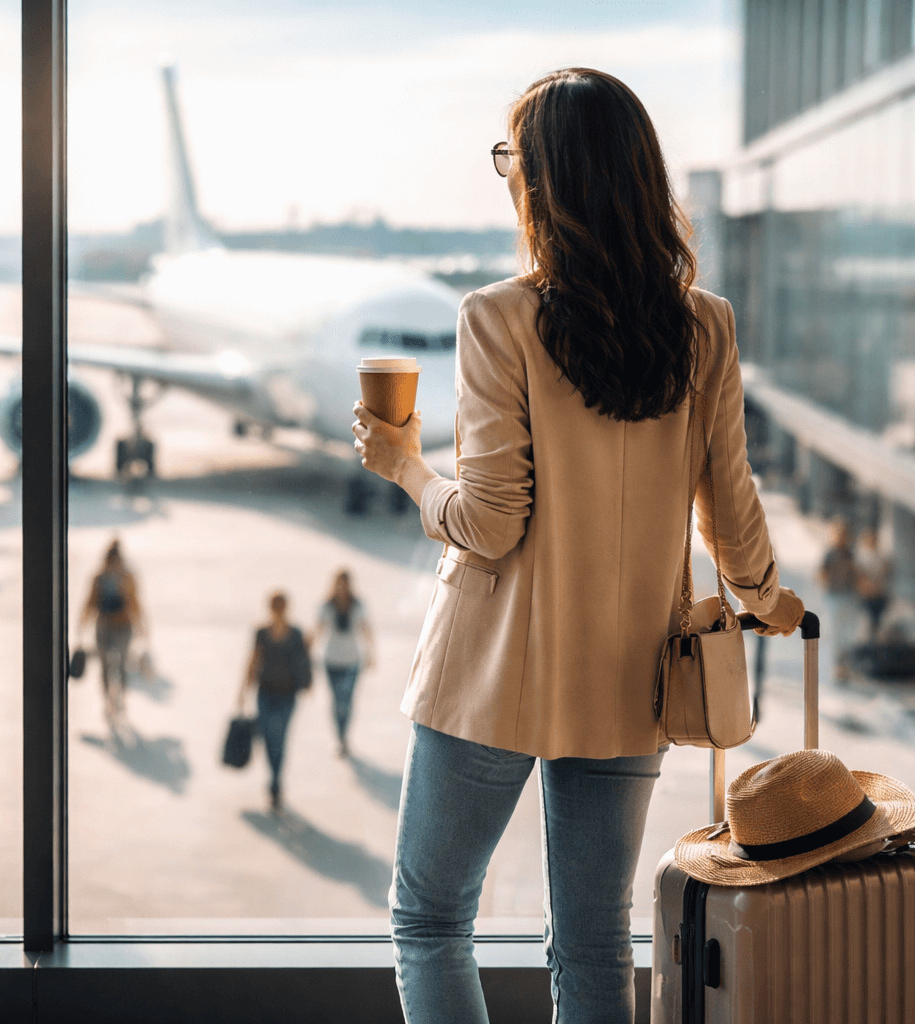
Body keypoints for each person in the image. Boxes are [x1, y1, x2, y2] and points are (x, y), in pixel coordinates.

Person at [351, 68, 805, 1023]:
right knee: (595, 944)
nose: (506, 176)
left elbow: (489, 524)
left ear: (544, 181)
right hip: (629, 677)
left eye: (511, 159)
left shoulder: (497, 318)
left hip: (490, 674)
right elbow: (731, 509)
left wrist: (401, 465)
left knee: (430, 920)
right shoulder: (704, 326)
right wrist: (768, 599)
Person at [236, 591, 311, 814]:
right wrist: (243, 690)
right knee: (269, 738)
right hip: (265, 693)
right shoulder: (261, 632)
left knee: (279, 738)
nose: (278, 611)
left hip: (287, 696)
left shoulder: (296, 633)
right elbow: (253, 660)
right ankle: (274, 779)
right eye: (275, 606)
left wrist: (308, 683)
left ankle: (275, 784)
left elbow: (304, 661)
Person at [310, 569, 374, 758]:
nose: (342, 588)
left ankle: (344, 736)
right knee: (337, 701)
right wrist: (307, 650)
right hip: (331, 660)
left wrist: (371, 652)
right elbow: (318, 629)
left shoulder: (357, 605)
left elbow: (365, 628)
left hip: (352, 660)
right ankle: (340, 736)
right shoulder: (327, 606)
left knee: (347, 701)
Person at [79, 540, 144, 724]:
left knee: (121, 663)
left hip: (122, 625)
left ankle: (120, 698)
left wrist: (140, 626)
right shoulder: (100, 578)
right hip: (104, 625)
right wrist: (83, 623)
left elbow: (135, 602)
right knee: (106, 665)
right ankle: (109, 698)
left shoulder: (127, 578)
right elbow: (90, 601)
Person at [819, 517, 859, 681]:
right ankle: (838, 667)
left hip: (848, 596)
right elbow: (821, 572)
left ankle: (845, 666)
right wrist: (826, 586)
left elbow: (855, 573)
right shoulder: (830, 553)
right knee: (836, 632)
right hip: (834, 596)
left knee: (848, 633)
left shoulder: (850, 553)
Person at [854, 527, 892, 644]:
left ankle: (874, 643)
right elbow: (859, 577)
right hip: (868, 595)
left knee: (877, 623)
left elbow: (886, 573)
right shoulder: (862, 557)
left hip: (879, 595)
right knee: (867, 623)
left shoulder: (881, 557)